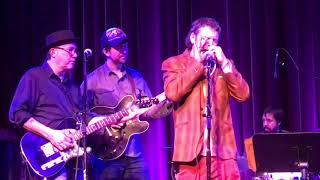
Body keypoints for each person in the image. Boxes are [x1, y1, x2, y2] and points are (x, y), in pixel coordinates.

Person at [162, 17, 250, 179]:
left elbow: (243, 95)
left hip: (223, 153)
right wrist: (198, 64)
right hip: (190, 154)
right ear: (193, 38)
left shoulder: (224, 65)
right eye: (205, 39)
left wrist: (224, 64)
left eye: (214, 40)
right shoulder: (174, 63)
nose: (210, 44)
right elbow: (172, 93)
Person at [84, 27, 172, 180]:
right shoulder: (92, 81)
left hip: (134, 153)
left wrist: (169, 99)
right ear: (106, 51)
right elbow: (82, 115)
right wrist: (105, 123)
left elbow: (148, 110)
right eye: (118, 47)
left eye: (125, 45)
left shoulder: (136, 76)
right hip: (105, 154)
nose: (124, 49)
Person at [9, 30, 83, 179]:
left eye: (76, 51)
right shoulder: (34, 76)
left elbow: (84, 117)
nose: (75, 55)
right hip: (47, 155)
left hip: (74, 156)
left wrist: (116, 117)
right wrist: (52, 134)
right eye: (70, 50)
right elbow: (17, 113)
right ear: (53, 52)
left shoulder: (74, 86)